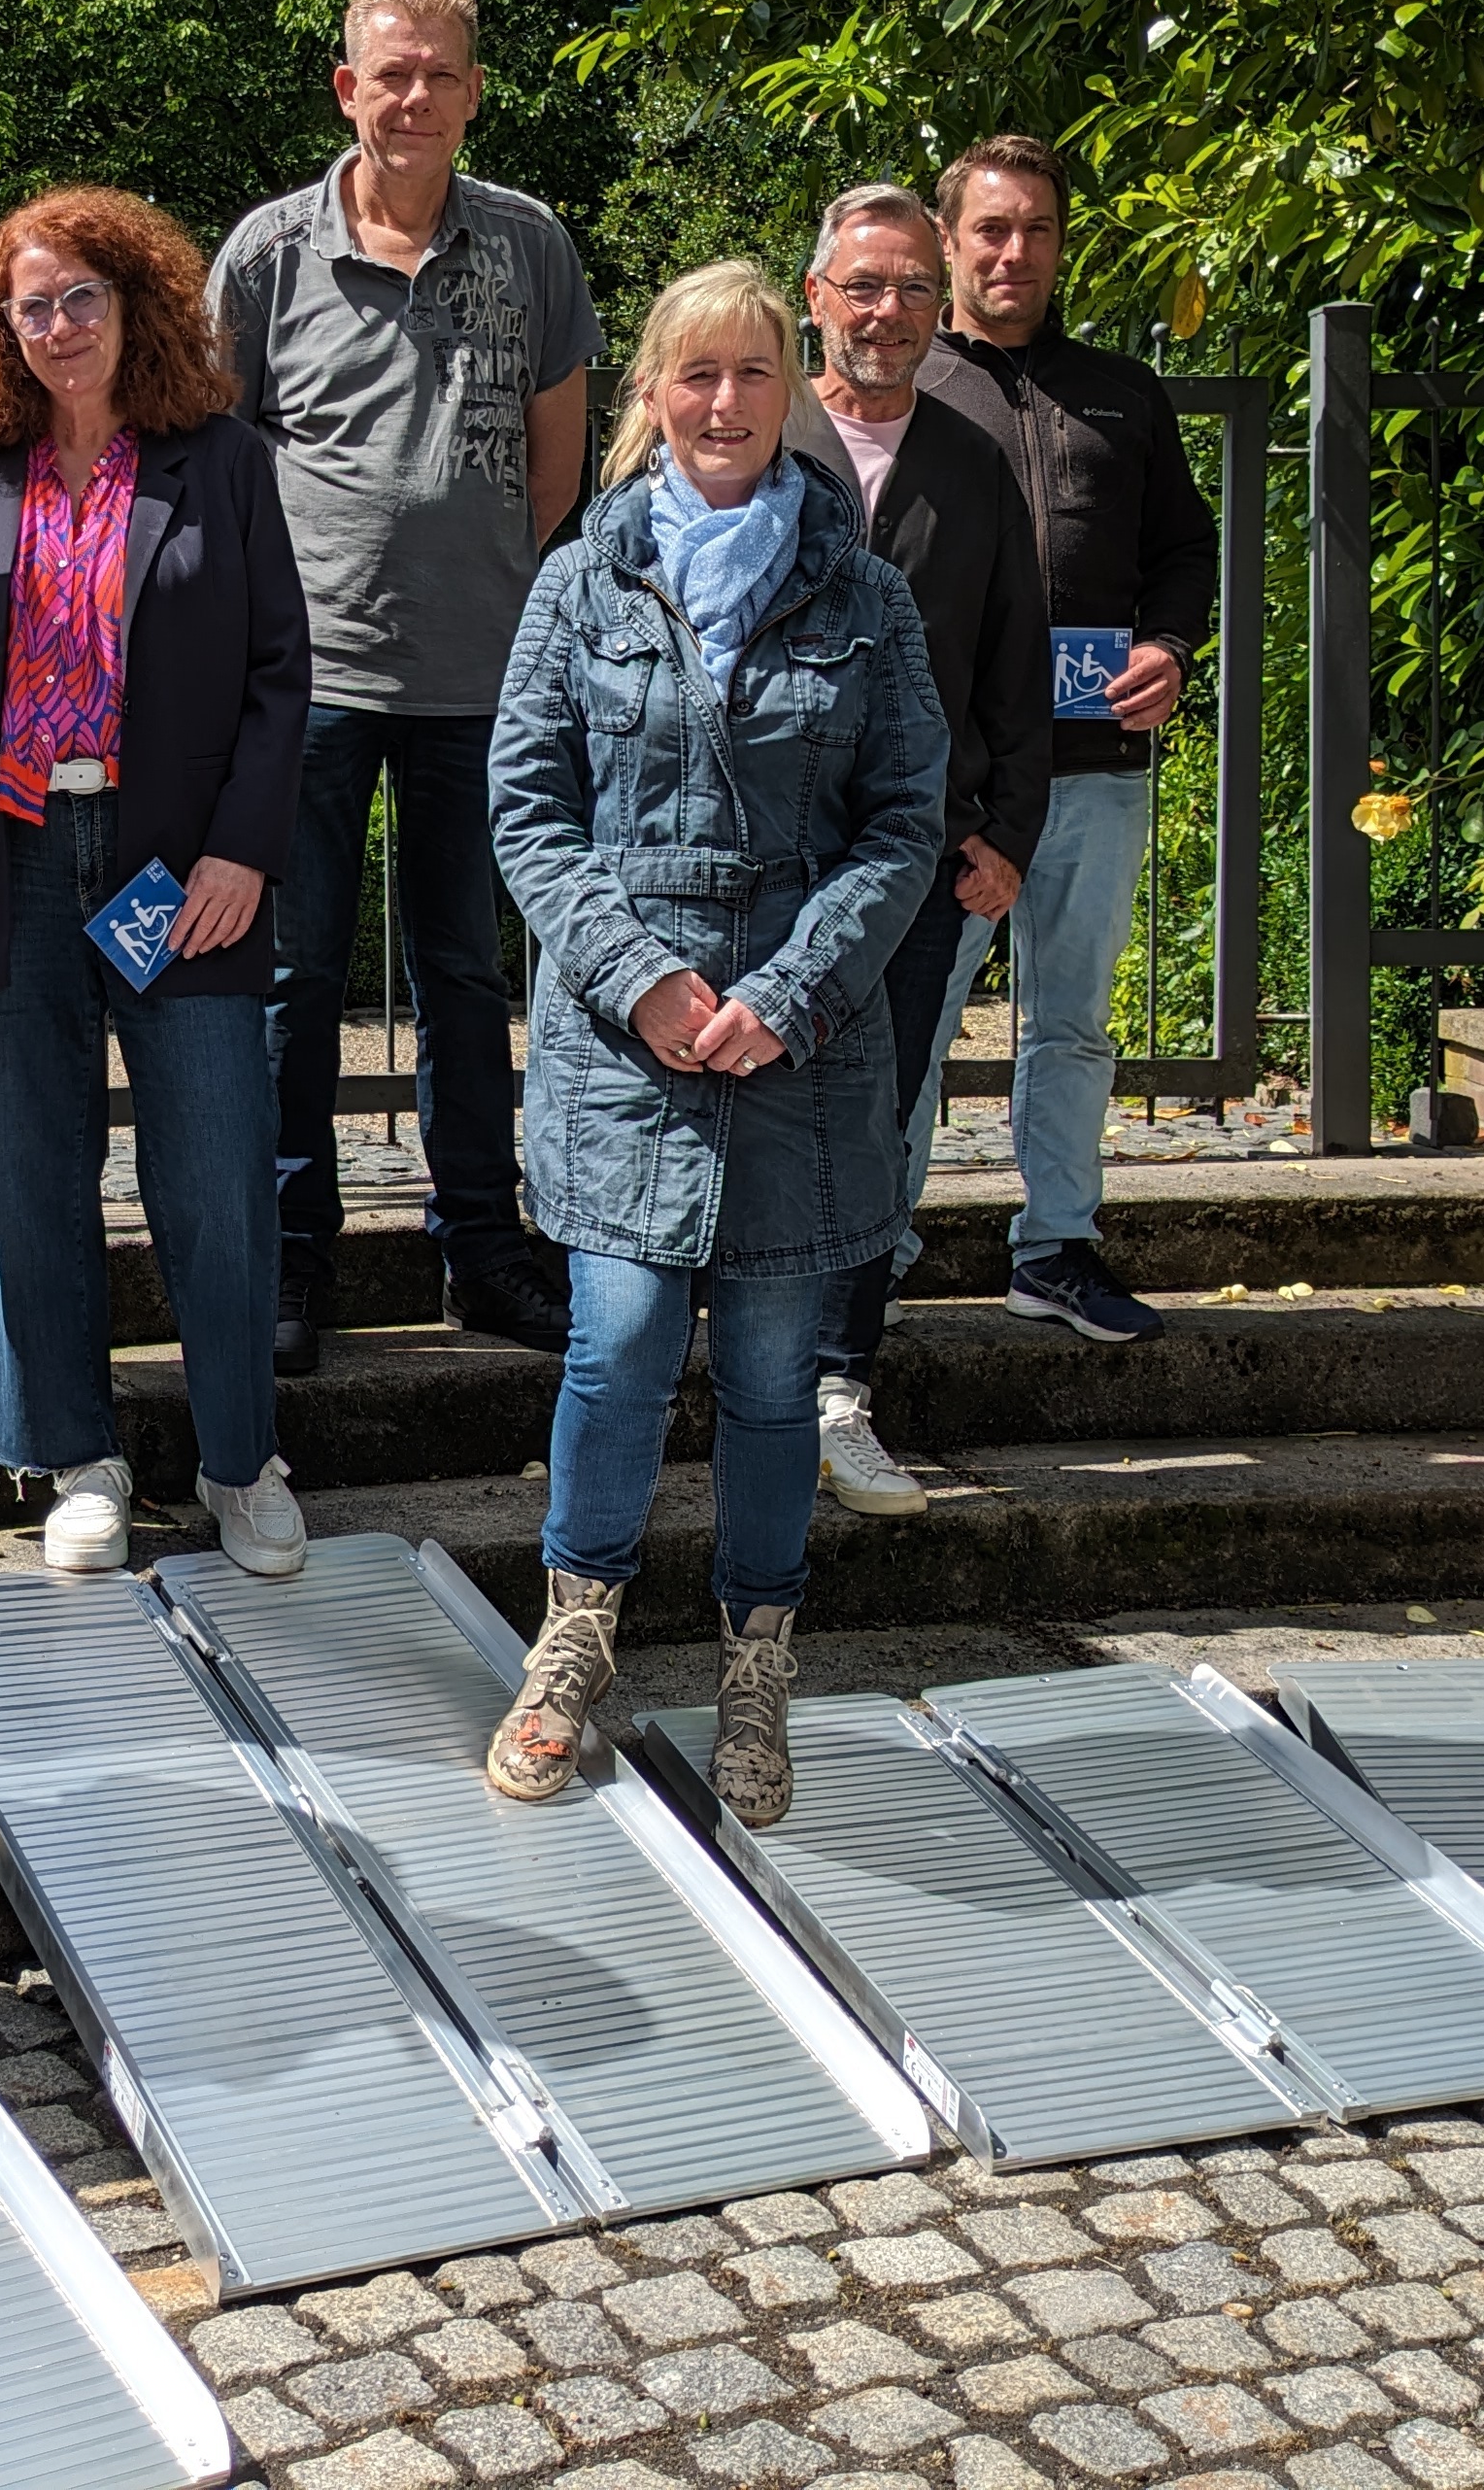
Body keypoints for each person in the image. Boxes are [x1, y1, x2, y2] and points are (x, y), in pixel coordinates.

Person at [481, 259, 946, 1831]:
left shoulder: (863, 593)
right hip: (629, 1034)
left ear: (789, 389)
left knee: (762, 1374)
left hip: (795, 1044)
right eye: (696, 375)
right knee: (611, 1343)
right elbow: (526, 811)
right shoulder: (576, 580)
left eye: (752, 372)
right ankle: (574, 1637)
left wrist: (793, 989)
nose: (726, 402)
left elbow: (898, 827)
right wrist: (639, 979)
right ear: (651, 396)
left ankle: (757, 1655)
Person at [0, 188, 311, 1578]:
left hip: (174, 866)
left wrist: (244, 849)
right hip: (7, 858)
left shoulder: (222, 461)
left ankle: (242, 1459)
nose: (61, 326)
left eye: (84, 298)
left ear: (135, 308)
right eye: (34, 305)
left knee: (214, 1167)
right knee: (25, 1171)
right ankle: (78, 1459)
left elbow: (276, 674)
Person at [213, 0, 597, 1367]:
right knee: (291, 978)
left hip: (480, 683)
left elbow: (559, 475)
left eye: (442, 72)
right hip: (301, 684)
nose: (416, 95)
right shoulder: (266, 255)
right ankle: (289, 1258)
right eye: (393, 72)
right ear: (347, 87)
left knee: (462, 976)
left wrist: (472, 578)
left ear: (474, 90)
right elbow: (212, 463)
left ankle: (481, 1250)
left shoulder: (532, 246)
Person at [927, 134, 1219, 1347]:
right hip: (948, 778)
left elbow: (1184, 550)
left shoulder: (1122, 392)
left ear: (1061, 243)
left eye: (1035, 229)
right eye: (990, 229)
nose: (1013, 251)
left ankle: (1053, 1247)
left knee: (1074, 1019)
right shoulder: (906, 391)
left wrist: (1170, 645)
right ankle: (870, 1254)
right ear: (948, 241)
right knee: (914, 1012)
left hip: (1094, 763)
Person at [785, 187, 1050, 1515]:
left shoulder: (973, 457)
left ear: (938, 311)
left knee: (876, 1123)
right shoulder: (749, 427)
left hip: (923, 861)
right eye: (862, 286)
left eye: (910, 291)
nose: (884, 313)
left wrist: (1004, 835)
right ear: (815, 295)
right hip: (761, 852)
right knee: (742, 1104)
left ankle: (840, 1387)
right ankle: (736, 1379)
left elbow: (1016, 663)